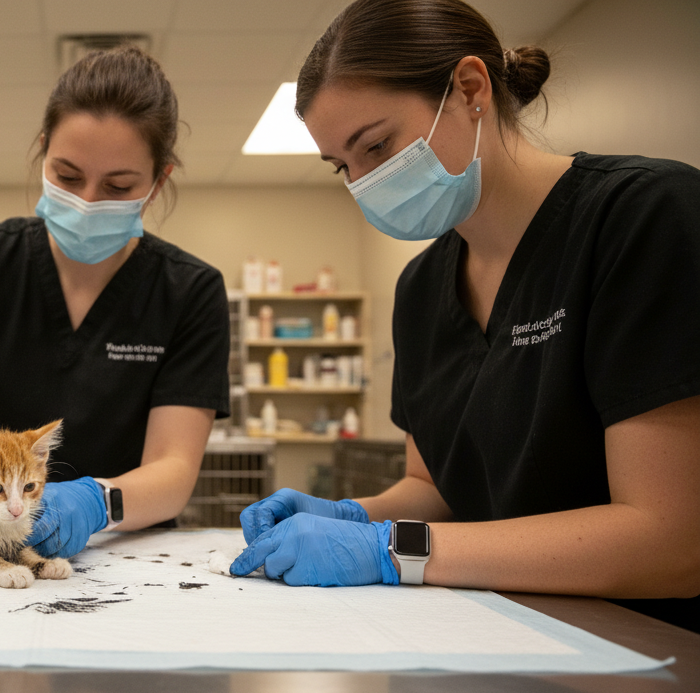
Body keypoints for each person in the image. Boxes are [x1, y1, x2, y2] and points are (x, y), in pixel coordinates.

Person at [231, 0, 700, 634]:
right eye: (344, 166)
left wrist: (392, 549)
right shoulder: (422, 289)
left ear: (471, 89)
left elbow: (671, 539)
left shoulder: (644, 221)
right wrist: (352, 514)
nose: (364, 181)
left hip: (642, 649)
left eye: (377, 145)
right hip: (488, 631)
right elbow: (436, 490)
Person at [0, 46, 230, 564]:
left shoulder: (190, 291)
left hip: (128, 547)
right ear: (42, 151)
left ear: (157, 182)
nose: (87, 201)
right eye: (68, 176)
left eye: (119, 185)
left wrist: (96, 501)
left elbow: (172, 469)